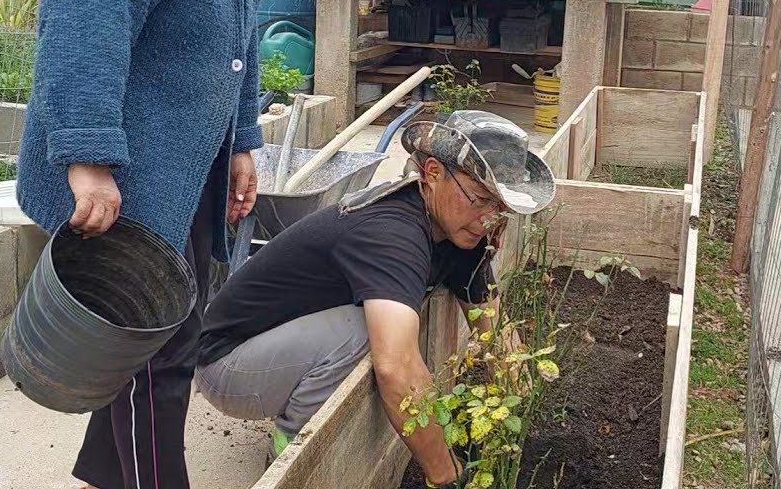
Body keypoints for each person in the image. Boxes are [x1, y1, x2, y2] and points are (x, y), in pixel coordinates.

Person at [14, 0, 319, 487]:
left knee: (144, 334)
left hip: (189, 166)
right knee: (159, 354)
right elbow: (81, 31)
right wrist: (87, 160)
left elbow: (236, 38)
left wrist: (244, 139)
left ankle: (103, 472)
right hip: (128, 177)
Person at [195, 110, 556, 485]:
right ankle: (293, 445)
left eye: (500, 207)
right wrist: (446, 476)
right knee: (376, 334)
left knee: (383, 328)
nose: (489, 219)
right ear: (432, 173)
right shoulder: (391, 234)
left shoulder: (460, 230)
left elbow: (492, 326)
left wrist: (519, 409)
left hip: (284, 347)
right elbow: (396, 367)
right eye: (480, 199)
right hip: (227, 365)